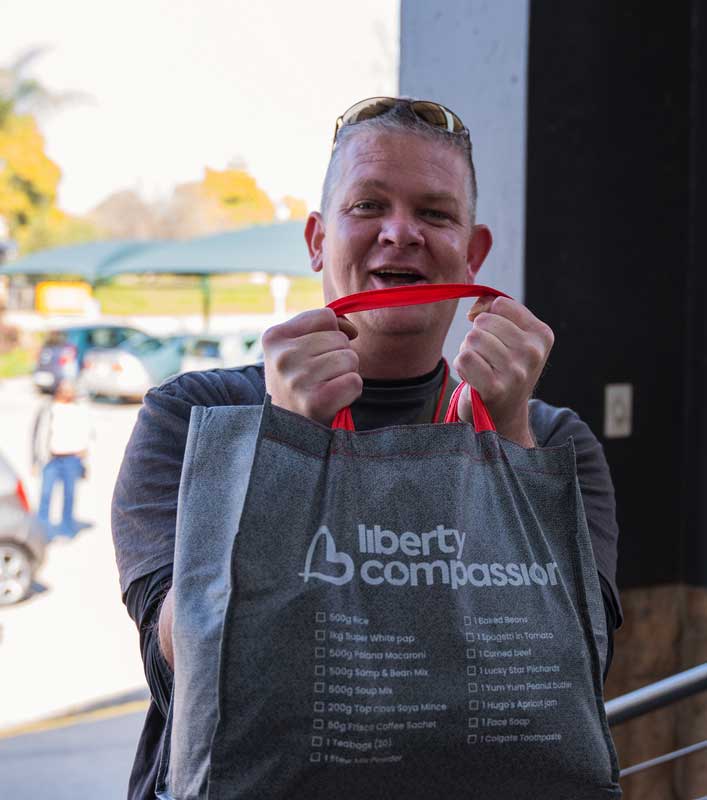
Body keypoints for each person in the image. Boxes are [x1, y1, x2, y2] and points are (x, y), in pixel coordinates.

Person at [112, 97, 622, 799]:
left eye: (436, 214)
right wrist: (286, 441)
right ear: (318, 240)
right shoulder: (193, 417)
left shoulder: (554, 442)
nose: (400, 233)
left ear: (472, 253)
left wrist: (506, 437)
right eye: (368, 205)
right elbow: (183, 655)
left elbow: (576, 663)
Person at [32, 378, 91, 538]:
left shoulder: (79, 409)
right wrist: (35, 460)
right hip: (51, 459)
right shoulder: (49, 408)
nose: (68, 392)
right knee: (45, 495)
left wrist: (85, 458)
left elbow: (86, 433)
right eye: (65, 389)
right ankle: (41, 531)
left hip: (72, 459)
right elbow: (37, 435)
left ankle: (67, 529)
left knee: (69, 495)